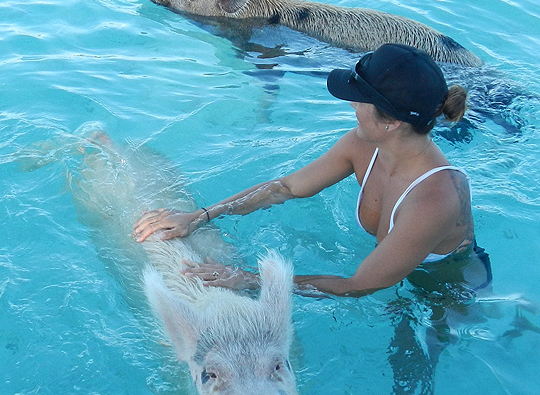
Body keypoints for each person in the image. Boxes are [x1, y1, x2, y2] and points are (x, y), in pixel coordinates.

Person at [132, 43, 491, 299]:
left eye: (360, 99)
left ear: (393, 122)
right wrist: (201, 216)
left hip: (450, 284)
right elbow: (284, 188)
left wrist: (248, 279)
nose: (352, 103)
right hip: (396, 268)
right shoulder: (364, 143)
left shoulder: (435, 198)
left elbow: (359, 285)